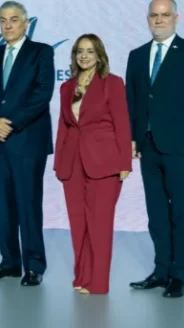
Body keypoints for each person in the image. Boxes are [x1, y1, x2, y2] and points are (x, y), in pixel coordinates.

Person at [126, 0, 184, 298]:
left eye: (165, 15)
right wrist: (133, 138)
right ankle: (161, 271)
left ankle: (179, 276)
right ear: (148, 19)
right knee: (157, 215)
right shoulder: (137, 55)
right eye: (154, 15)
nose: (159, 20)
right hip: (148, 148)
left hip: (182, 148)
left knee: (181, 214)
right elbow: (132, 100)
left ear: (176, 18)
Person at [0, 0, 54, 286]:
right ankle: (9, 262)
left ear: (25, 23)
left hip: (27, 140)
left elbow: (42, 93)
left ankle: (34, 265)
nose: (7, 25)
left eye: (13, 20)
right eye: (2, 20)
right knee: (4, 205)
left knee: (28, 204)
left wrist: (10, 124)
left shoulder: (41, 52)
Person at [53, 34, 132, 295]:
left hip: (105, 163)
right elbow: (64, 127)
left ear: (99, 55)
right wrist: (59, 162)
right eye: (79, 51)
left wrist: (125, 162)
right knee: (78, 224)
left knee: (99, 224)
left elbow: (122, 124)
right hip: (72, 163)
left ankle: (98, 282)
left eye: (89, 51)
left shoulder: (112, 83)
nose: (84, 56)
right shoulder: (67, 87)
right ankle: (82, 276)